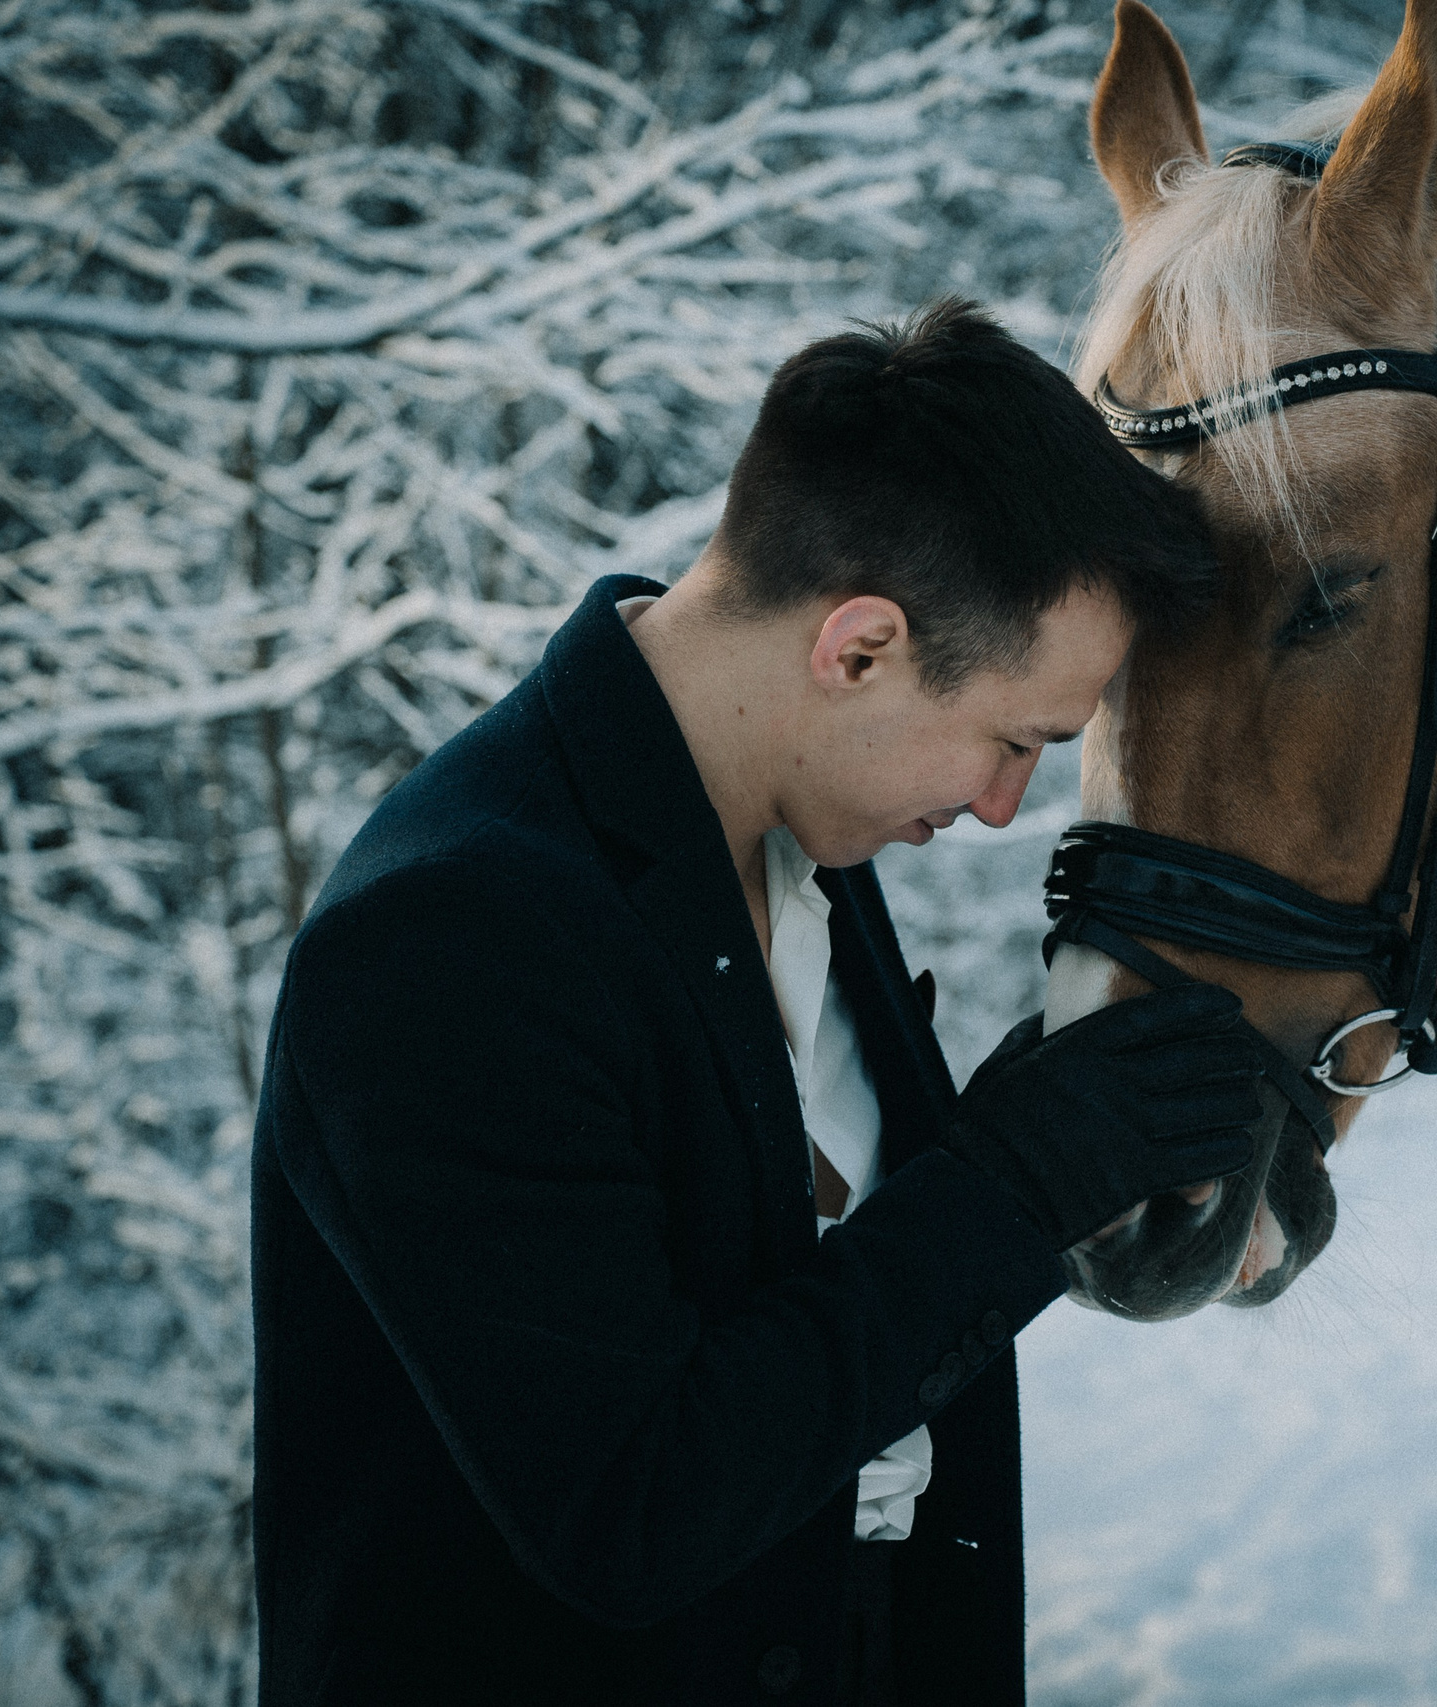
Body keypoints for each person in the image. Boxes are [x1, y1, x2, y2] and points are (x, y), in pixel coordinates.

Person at [250, 301, 1267, 1706]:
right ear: (857, 649)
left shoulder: (800, 827)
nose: (1000, 806)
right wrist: (1011, 1186)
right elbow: (630, 1505)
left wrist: (1076, 1147)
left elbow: (810, 1305)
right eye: (1013, 740)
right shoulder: (448, 938)